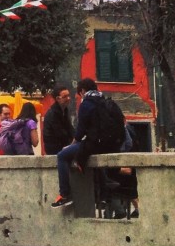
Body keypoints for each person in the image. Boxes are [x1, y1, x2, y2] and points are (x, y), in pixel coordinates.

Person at [52, 78, 125, 209]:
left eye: (79, 94)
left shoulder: (86, 104)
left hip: (96, 145)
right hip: (112, 145)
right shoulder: (107, 101)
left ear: (83, 91)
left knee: (62, 156)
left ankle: (65, 195)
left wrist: (71, 145)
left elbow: (80, 132)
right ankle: (103, 194)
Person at [43, 86, 74, 155]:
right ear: (57, 99)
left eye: (68, 95)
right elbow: (60, 133)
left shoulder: (65, 110)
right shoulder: (52, 113)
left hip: (63, 146)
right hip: (54, 149)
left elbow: (70, 128)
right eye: (65, 96)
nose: (68, 98)